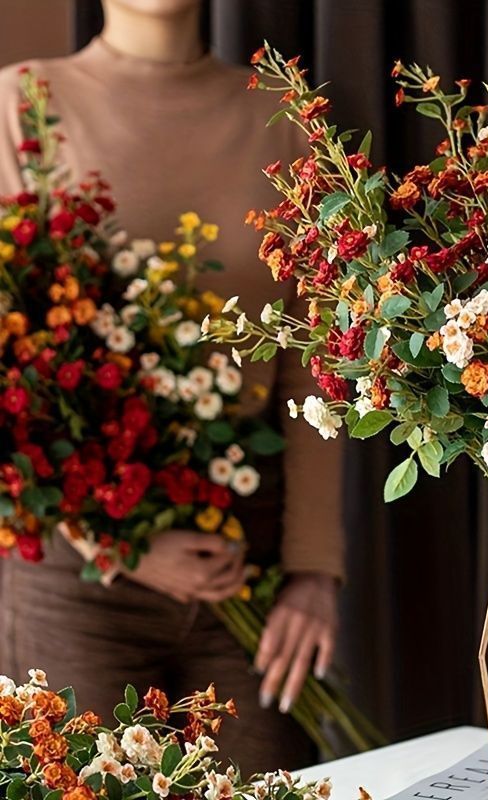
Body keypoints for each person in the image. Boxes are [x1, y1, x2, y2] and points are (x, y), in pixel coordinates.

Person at [0, 0, 344, 774]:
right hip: (75, 573)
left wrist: (313, 571)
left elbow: (315, 364)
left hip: (248, 565)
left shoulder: (287, 126)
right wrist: (114, 539)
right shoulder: (22, 106)